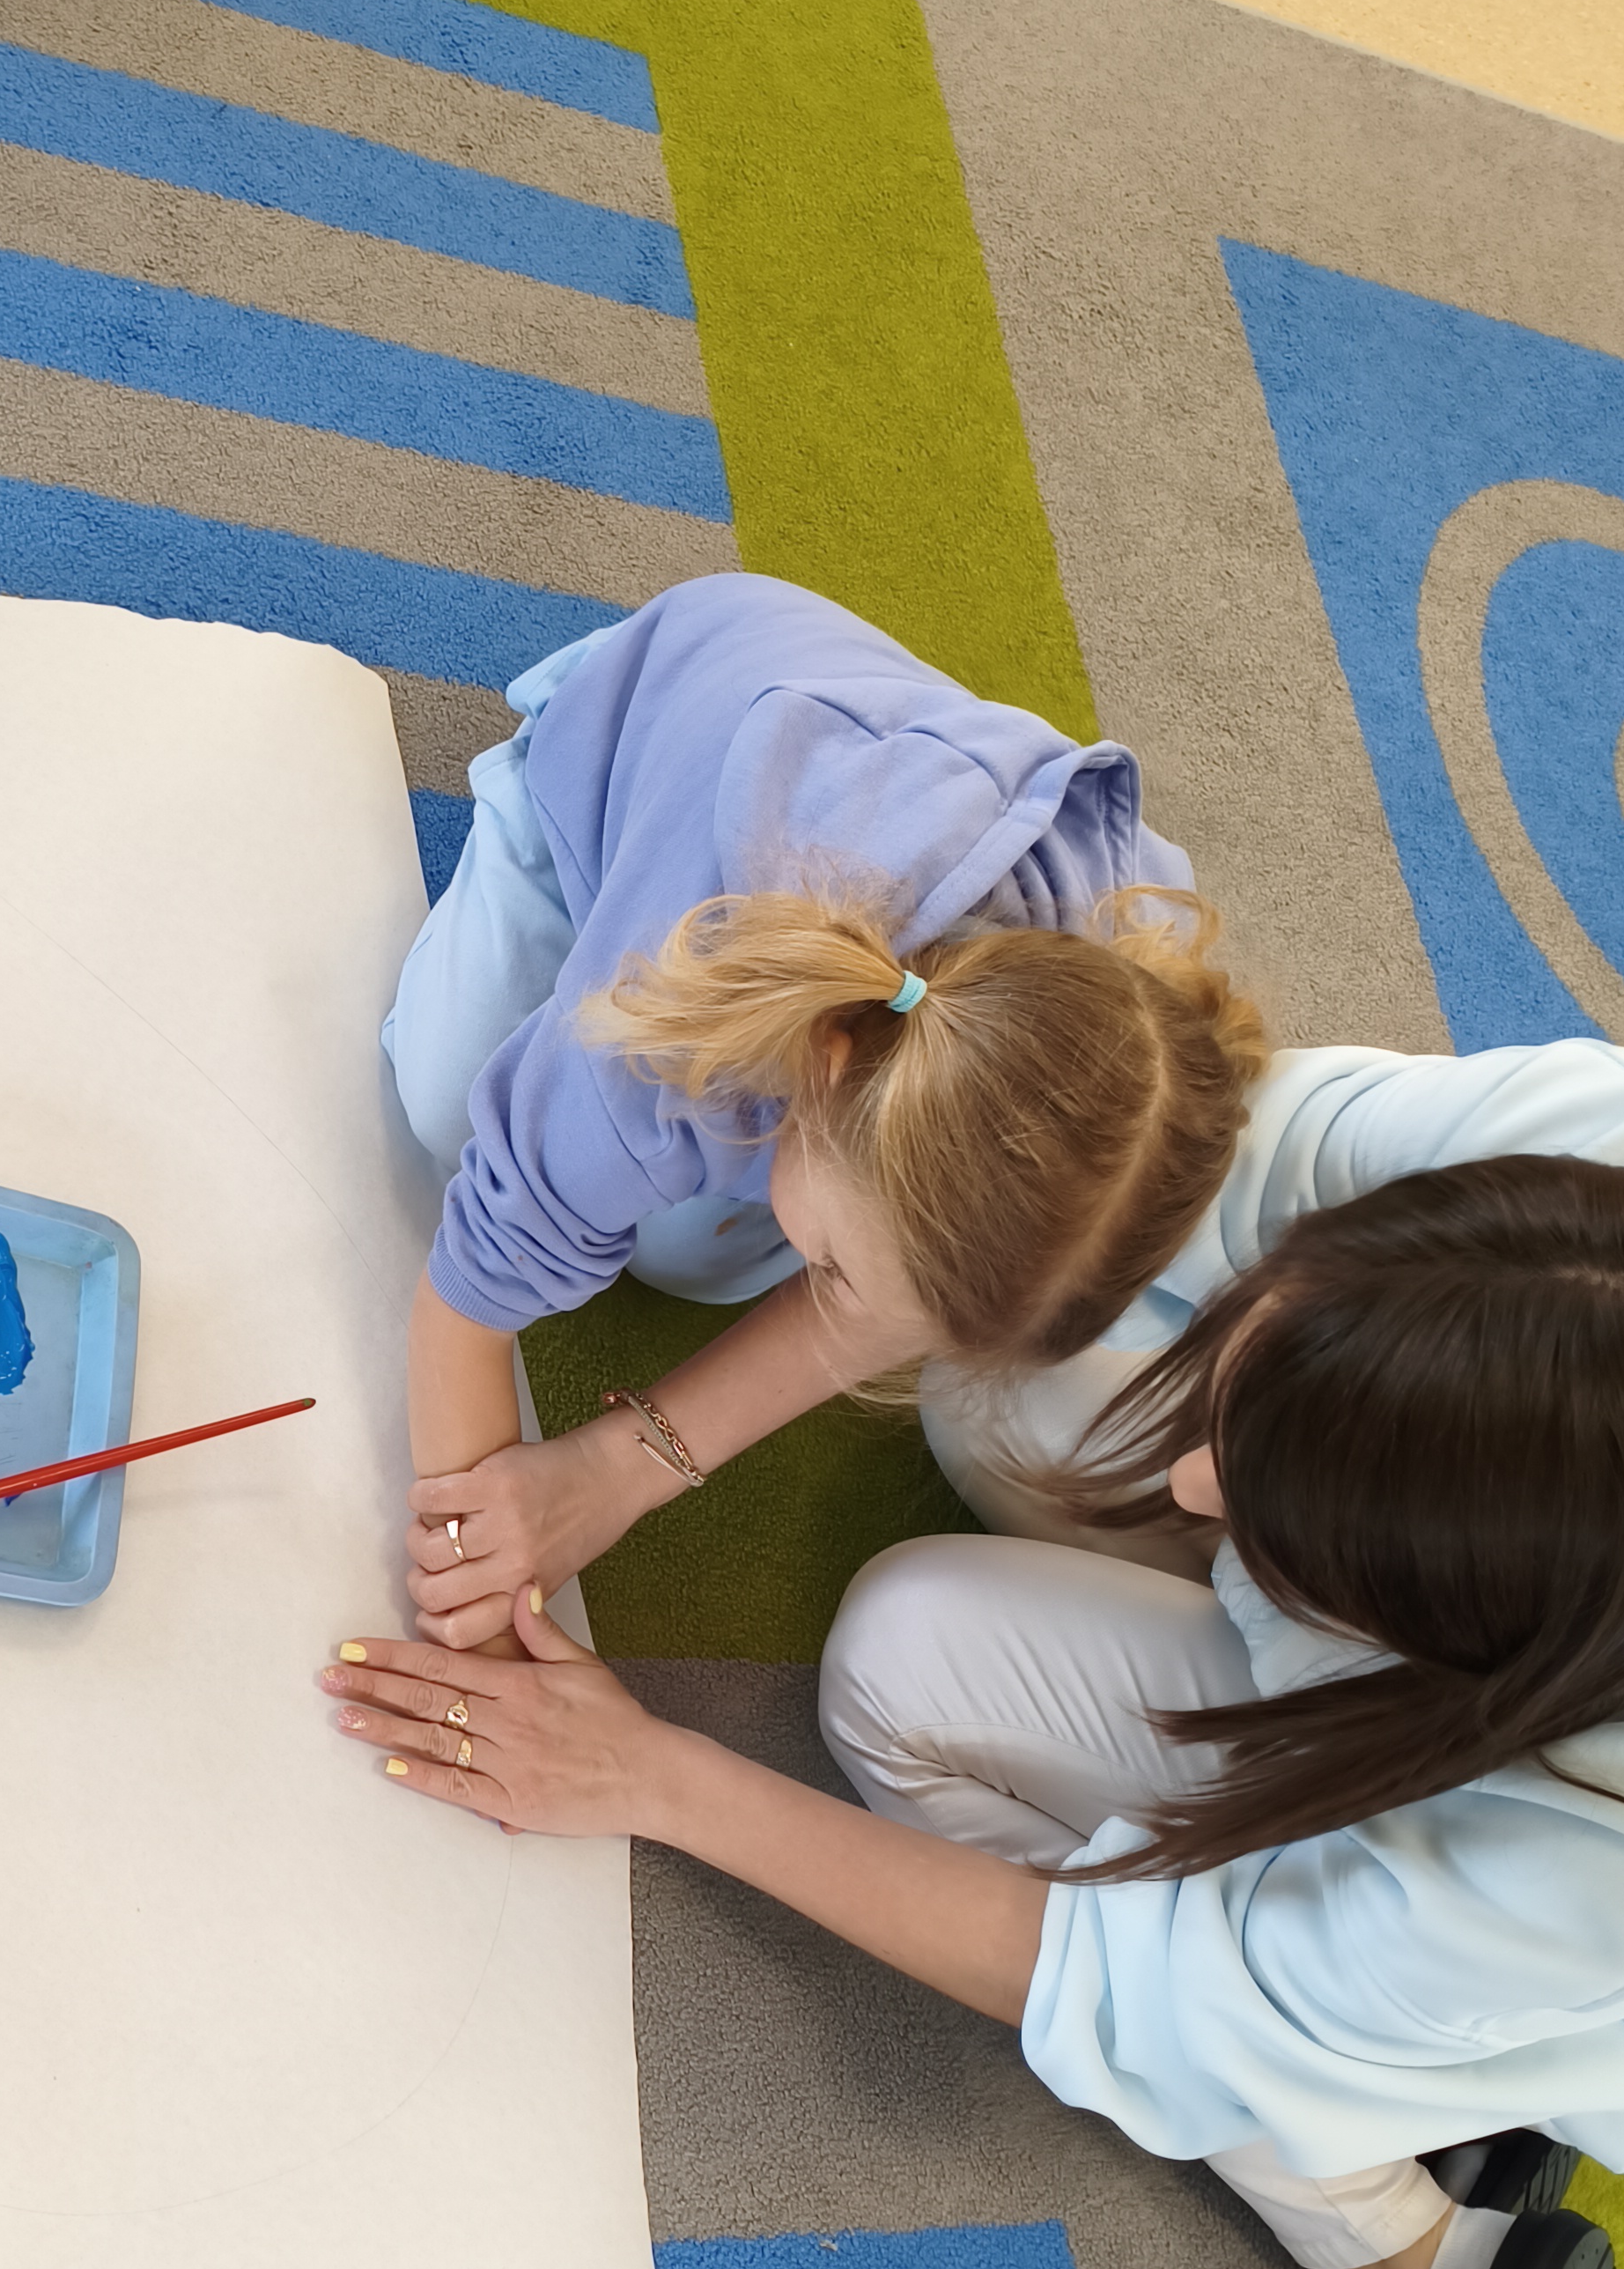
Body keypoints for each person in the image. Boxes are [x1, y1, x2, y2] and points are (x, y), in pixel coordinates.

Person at [321, 1134, 1624, 2269]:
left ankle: (1415, 2265)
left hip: (1587, 1964)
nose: (1188, 1488)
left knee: (903, 1665)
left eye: (1277, 1524)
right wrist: (632, 1463)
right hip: (1498, 1723)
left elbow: (1123, 1989)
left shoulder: (1588, 1879)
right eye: (1246, 1378)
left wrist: (654, 1774)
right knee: (995, 1382)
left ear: (1461, 1659)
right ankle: (1423, 2079)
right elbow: (1068, 1168)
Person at [381, 575, 1269, 1621]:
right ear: (833, 1060)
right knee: (449, 1111)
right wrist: (485, 1602)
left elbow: (909, 1272)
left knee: (693, 1255)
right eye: (836, 1274)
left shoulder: (1140, 1033)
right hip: (631, 728)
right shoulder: (672, 1036)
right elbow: (465, 1298)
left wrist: (619, 1471)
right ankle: (533, 795)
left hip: (864, 780)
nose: (838, 1299)